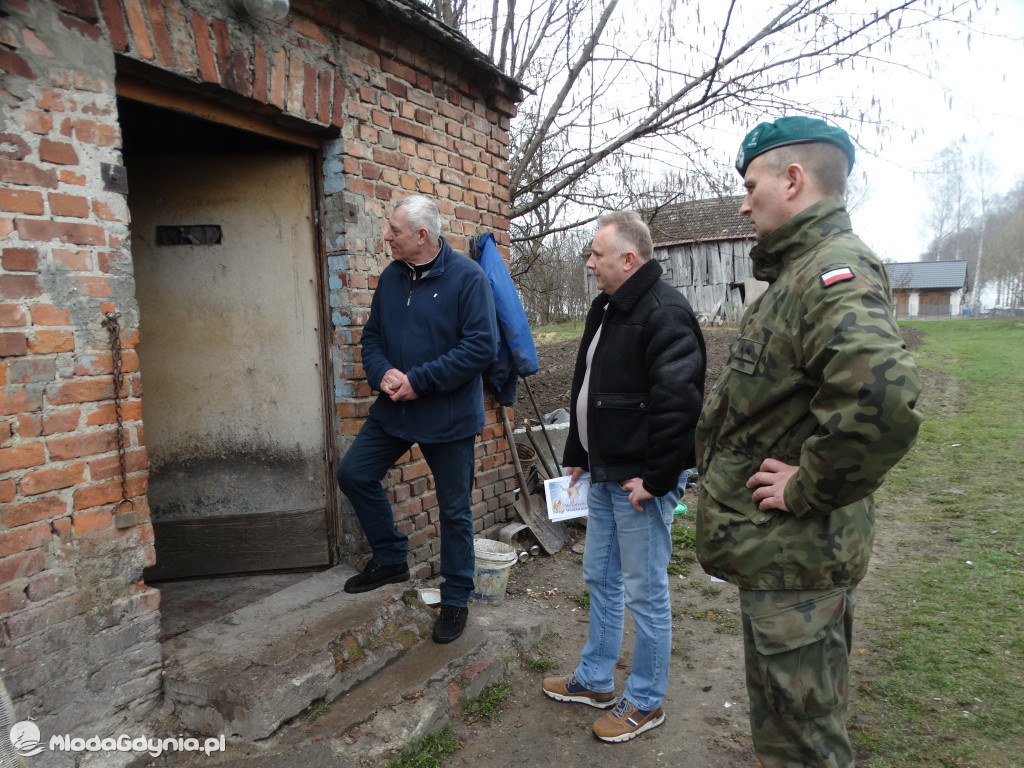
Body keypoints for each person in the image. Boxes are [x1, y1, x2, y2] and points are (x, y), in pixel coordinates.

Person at [695, 116, 923, 766]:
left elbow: (882, 400)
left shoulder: (832, 272)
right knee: (787, 738)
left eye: (750, 184)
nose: (742, 203)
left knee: (804, 748)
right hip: (781, 560)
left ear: (792, 180)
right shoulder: (797, 274)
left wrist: (806, 484)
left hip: (797, 562)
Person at [542, 211, 707, 743]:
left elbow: (679, 405)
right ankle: (594, 679)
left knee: (645, 592)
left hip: (639, 485)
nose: (589, 262)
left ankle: (645, 699)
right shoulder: (605, 308)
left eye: (596, 254)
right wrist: (578, 450)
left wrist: (657, 480)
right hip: (606, 473)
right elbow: (585, 386)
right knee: (601, 580)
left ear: (628, 259)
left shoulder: (665, 313)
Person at [336, 195, 498, 645]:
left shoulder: (468, 279)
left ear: (421, 236)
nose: (386, 236)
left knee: (454, 511)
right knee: (353, 473)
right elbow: (372, 337)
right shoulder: (391, 278)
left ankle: (456, 597)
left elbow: (480, 347)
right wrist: (382, 370)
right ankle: (390, 559)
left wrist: (420, 381)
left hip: (447, 416)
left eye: (394, 230)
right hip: (396, 411)